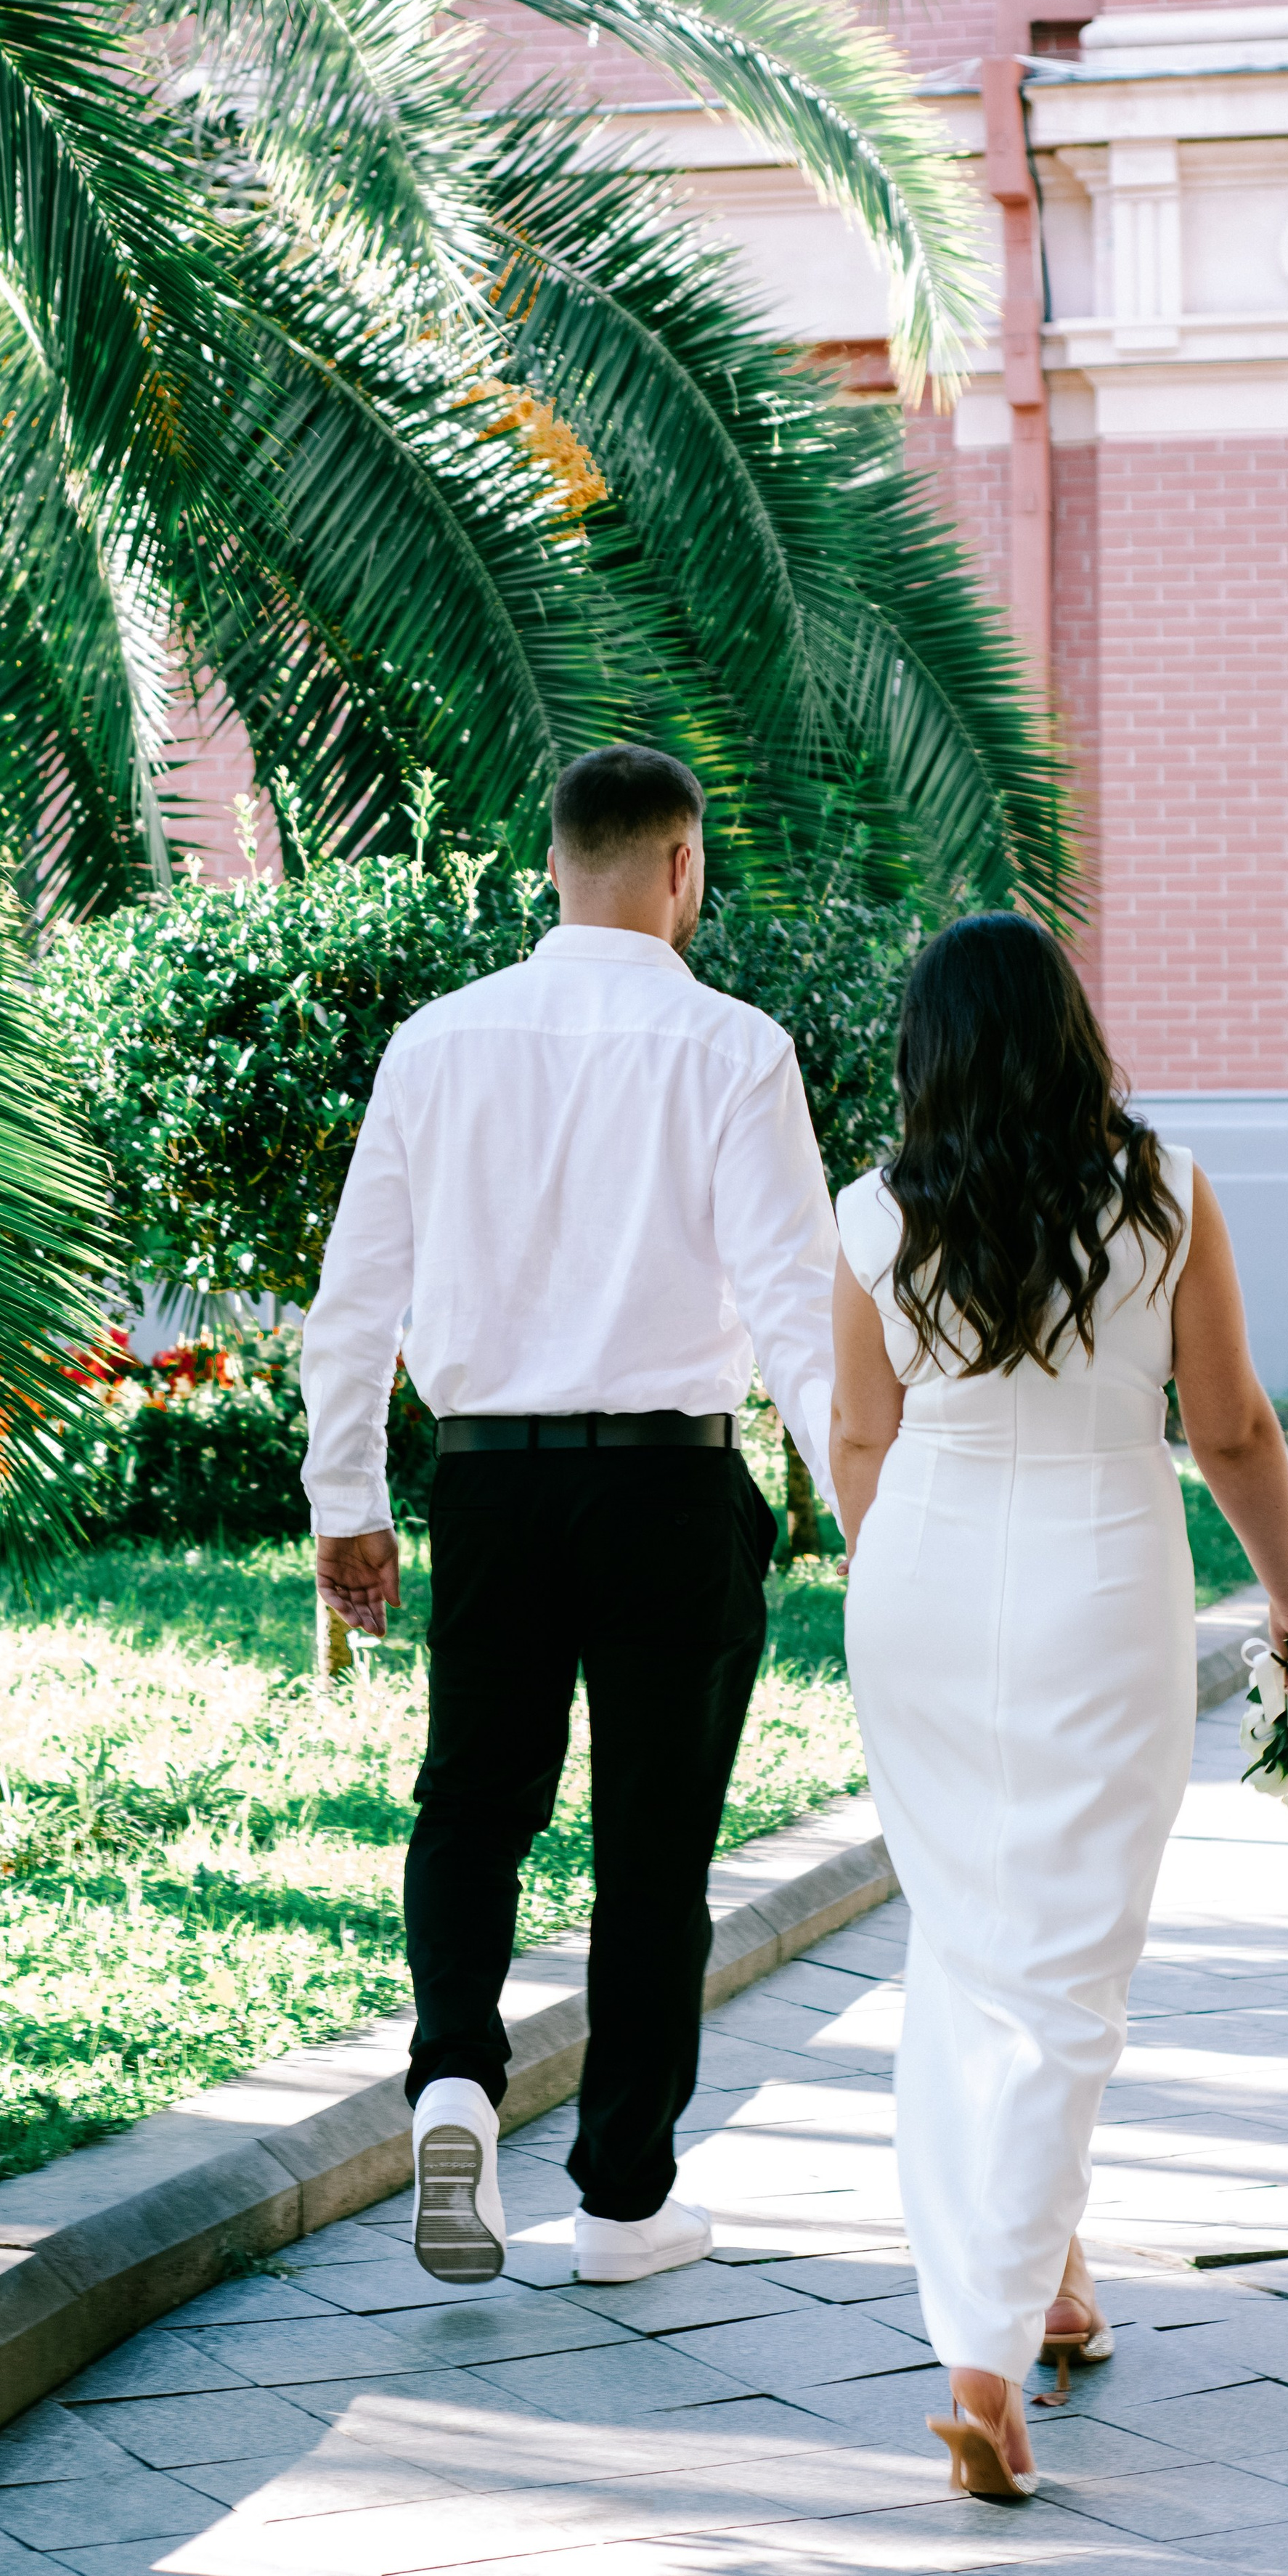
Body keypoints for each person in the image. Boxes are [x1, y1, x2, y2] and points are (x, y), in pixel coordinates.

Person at [301, 746, 839, 2288]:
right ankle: (620, 2203)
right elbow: (795, 1311)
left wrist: (348, 1500)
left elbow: (354, 1303)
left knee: (471, 1799)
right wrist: (874, 1509)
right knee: (652, 1844)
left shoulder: (437, 1043)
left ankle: (457, 2078)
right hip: (668, 1482)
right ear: (681, 868)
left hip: (485, 1480)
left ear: (554, 862)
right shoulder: (731, 1047)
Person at [830, 913, 1288, 2500]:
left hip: (913, 1574)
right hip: (1100, 1573)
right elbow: (1234, 1426)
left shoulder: (869, 1212)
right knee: (1062, 1973)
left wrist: (895, 1590)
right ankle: (983, 2362)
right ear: (1067, 1032)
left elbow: (857, 1439)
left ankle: (1036, 2285)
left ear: (924, 1052)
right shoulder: (1161, 1193)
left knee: (971, 1940)